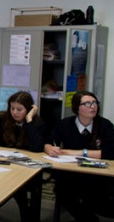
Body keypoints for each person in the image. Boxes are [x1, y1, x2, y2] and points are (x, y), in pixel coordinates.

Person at [0, 91, 45, 222]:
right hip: (0, 166)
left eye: (19, 109)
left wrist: (28, 121)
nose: (15, 112)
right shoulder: (2, 119)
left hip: (24, 171)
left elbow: (37, 148)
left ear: (28, 110)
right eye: (12, 108)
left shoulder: (36, 123)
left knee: (23, 198)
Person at [44, 91, 114, 221]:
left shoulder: (105, 125)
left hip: (97, 175)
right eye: (87, 103)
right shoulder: (65, 124)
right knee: (63, 191)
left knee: (98, 195)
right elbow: (49, 141)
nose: (93, 106)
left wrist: (79, 152)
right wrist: (49, 148)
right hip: (71, 174)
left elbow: (110, 152)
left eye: (94, 103)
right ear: (77, 108)